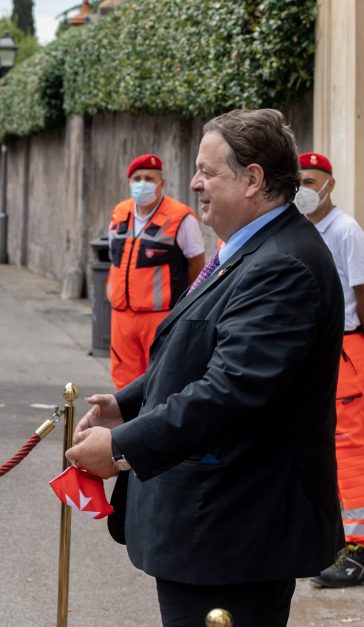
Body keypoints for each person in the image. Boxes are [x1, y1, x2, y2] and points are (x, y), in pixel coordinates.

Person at [67, 109, 344, 626]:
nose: (193, 183)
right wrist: (128, 405)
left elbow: (231, 391)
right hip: (214, 528)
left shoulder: (281, 263)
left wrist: (123, 448)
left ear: (253, 178)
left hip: (235, 531)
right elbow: (196, 349)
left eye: (207, 171)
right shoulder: (250, 248)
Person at [294, 151, 364, 588]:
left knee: (350, 450)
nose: (304, 187)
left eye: (312, 180)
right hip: (315, 350)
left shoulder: (345, 231)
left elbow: (361, 293)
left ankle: (356, 549)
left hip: (346, 350)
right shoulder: (302, 230)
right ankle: (331, 538)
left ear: (329, 185)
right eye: (299, 179)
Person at [107, 153, 205, 390]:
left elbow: (197, 265)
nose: (142, 183)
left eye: (149, 178)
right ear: (129, 183)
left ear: (161, 183)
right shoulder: (121, 212)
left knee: (159, 381)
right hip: (121, 314)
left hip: (160, 316)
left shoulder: (180, 217)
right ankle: (124, 426)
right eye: (137, 178)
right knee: (123, 382)